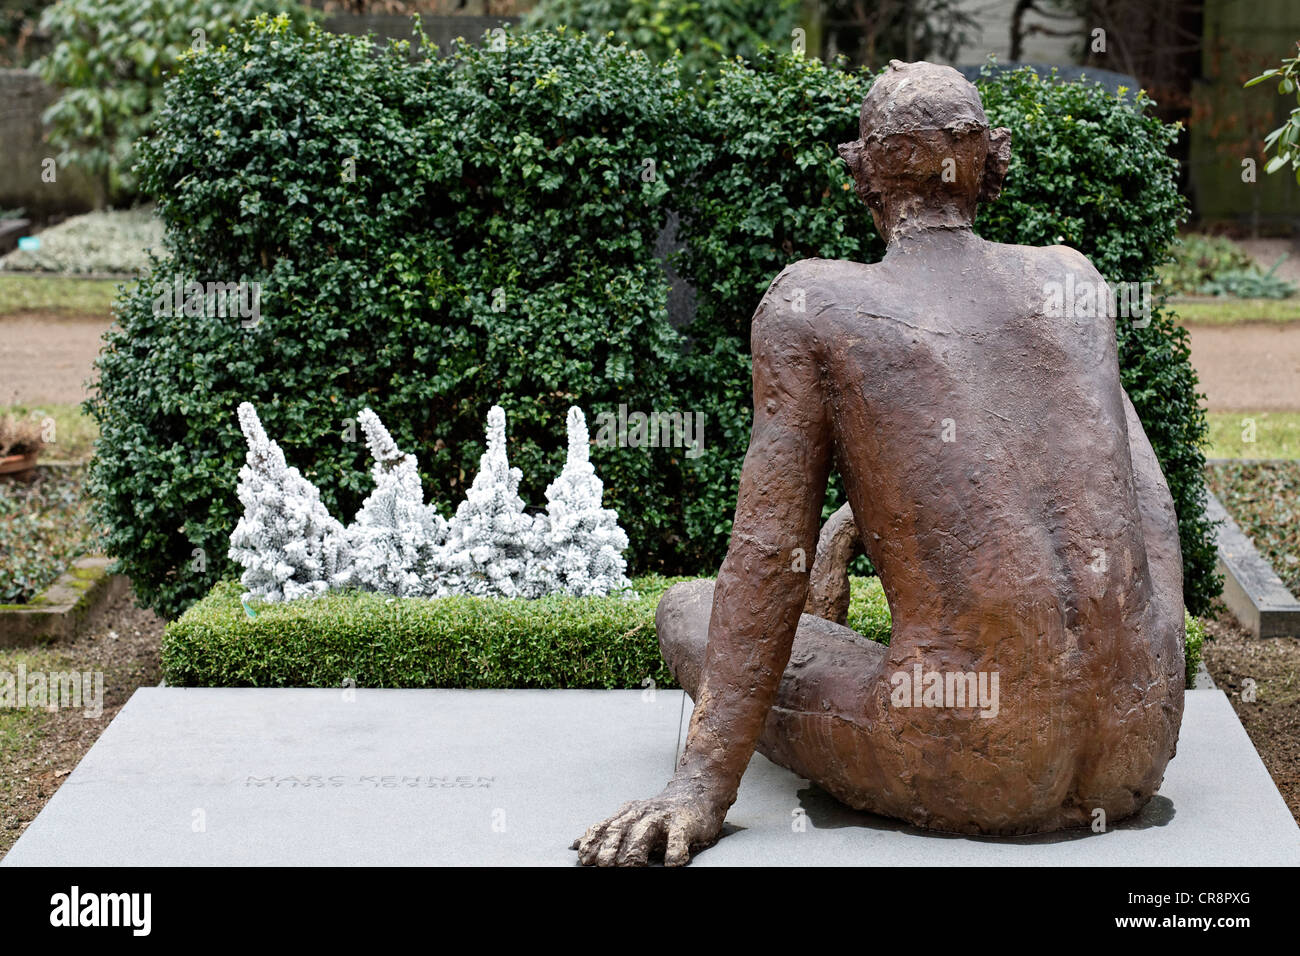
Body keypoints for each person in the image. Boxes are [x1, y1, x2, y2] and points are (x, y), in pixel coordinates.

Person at [573, 60, 1185, 867]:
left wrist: (698, 788)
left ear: (861, 168)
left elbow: (763, 560)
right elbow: (1150, 513)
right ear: (993, 158)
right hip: (1138, 737)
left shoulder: (812, 303)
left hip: (971, 751)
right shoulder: (1070, 281)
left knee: (687, 609)